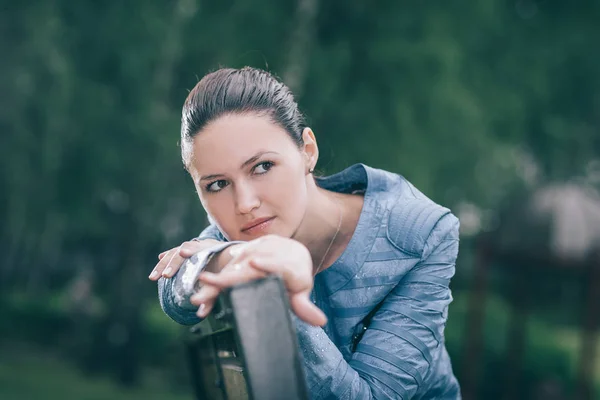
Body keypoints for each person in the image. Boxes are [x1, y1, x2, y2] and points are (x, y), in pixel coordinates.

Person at [149, 67, 461, 399]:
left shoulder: (419, 234)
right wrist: (240, 257)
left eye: (263, 167)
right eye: (217, 184)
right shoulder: (236, 238)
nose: (245, 203)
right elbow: (176, 291)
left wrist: (275, 292)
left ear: (307, 150)